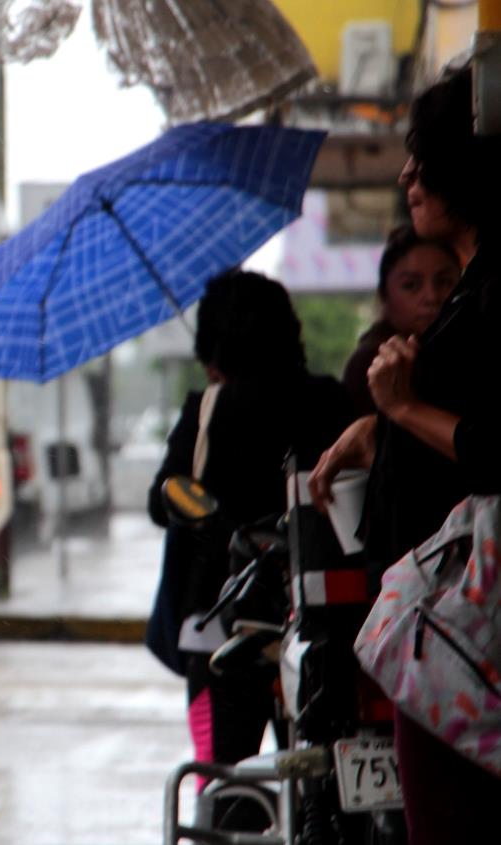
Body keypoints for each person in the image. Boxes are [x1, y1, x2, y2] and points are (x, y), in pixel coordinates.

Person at [308, 64, 501, 845]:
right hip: (446, 630)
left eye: (423, 157)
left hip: (469, 635)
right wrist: (377, 428)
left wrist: (401, 409)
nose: (405, 175)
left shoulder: (493, 292)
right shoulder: (472, 287)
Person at [147, 270, 352, 801]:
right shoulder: (332, 402)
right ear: (291, 331)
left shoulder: (208, 410)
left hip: (220, 631)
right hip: (318, 625)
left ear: (213, 344)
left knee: (226, 787)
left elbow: (162, 500)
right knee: (317, 787)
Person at [341, 224, 460, 416]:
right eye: (411, 285)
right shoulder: (372, 365)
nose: (431, 297)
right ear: (384, 296)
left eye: (444, 282)